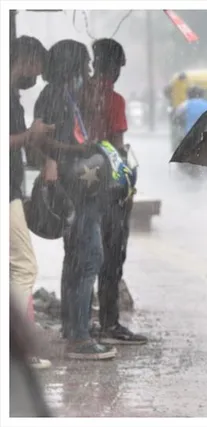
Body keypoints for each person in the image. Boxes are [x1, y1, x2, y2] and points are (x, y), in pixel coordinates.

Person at [34, 39, 116, 360]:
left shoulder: (65, 95)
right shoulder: (55, 96)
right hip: (75, 190)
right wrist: (80, 151)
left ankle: (74, 327)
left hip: (81, 189)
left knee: (77, 260)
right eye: (85, 62)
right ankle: (80, 338)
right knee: (88, 259)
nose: (90, 69)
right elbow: (46, 142)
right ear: (72, 64)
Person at [84, 38, 147, 345]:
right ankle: (110, 323)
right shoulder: (114, 99)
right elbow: (117, 148)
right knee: (112, 255)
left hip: (82, 185)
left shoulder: (81, 93)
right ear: (115, 66)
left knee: (84, 255)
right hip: (110, 190)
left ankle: (82, 323)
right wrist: (127, 186)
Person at [9, 35, 53, 370]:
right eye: (36, 67)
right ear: (24, 59)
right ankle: (14, 348)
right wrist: (29, 135)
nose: (37, 76)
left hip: (11, 192)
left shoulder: (12, 97)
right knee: (24, 267)